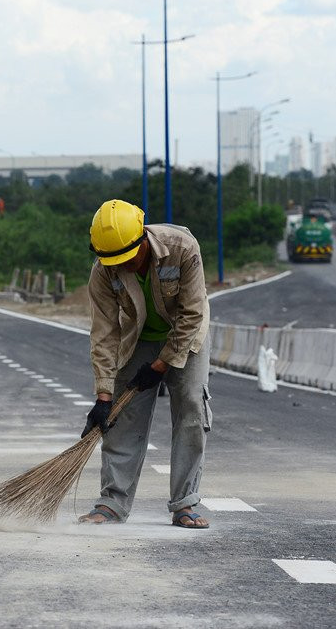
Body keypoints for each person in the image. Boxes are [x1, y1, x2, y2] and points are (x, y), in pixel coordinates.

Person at [80, 199, 212, 529]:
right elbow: (104, 333)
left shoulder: (181, 247)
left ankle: (184, 504)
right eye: (113, 262)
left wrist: (162, 364)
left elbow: (193, 313)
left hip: (186, 334)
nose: (121, 267)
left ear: (143, 239)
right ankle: (111, 503)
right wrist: (104, 395)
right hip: (138, 337)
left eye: (127, 258)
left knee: (191, 407)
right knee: (122, 418)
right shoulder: (104, 270)